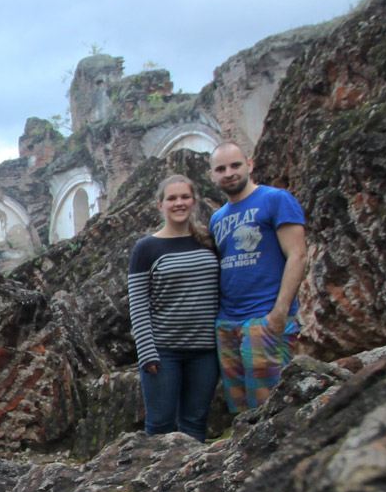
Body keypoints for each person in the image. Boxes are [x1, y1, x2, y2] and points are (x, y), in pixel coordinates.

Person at [208, 142, 308, 414]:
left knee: (272, 409)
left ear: (249, 165)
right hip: (228, 323)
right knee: (241, 412)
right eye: (221, 169)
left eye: (235, 165)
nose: (229, 173)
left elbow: (297, 255)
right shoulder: (217, 219)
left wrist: (279, 313)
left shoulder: (276, 200)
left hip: (265, 317)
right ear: (212, 176)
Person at [128, 175, 221, 442]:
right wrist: (147, 353)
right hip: (163, 353)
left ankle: (188, 482)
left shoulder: (209, 242)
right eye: (172, 198)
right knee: (159, 427)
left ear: (194, 201)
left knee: (195, 425)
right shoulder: (146, 249)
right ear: (160, 204)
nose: (178, 203)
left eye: (184, 197)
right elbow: (138, 304)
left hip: (205, 353)